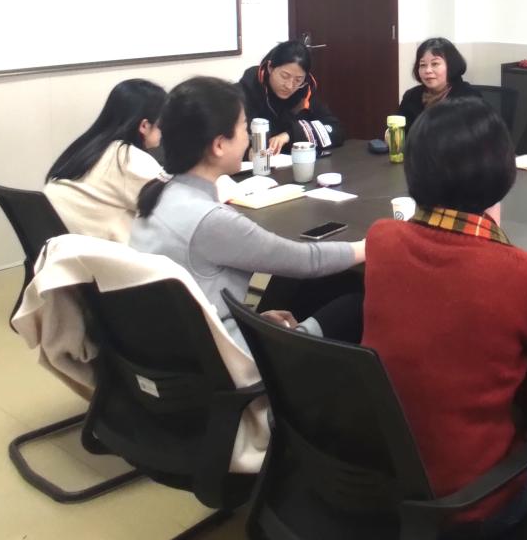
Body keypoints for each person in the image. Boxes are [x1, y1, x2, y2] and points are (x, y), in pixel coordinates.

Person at [361, 96, 527, 526]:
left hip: (389, 471)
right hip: (475, 497)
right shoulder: (521, 273)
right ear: (501, 172)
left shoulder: (383, 239)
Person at [130, 76, 364, 351]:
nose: (248, 138)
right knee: (355, 304)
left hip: (182, 341)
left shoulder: (160, 194)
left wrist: (253, 320)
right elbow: (306, 261)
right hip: (224, 355)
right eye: (243, 127)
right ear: (219, 145)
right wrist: (369, 246)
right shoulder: (210, 220)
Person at [45, 79, 168, 243]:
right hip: (94, 253)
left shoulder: (85, 147)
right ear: (144, 126)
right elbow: (172, 208)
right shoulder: (127, 159)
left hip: (59, 249)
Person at [238, 40, 344, 156]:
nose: (289, 86)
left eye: (298, 80)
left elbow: (335, 130)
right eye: (284, 76)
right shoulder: (246, 91)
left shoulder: (304, 91)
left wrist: (290, 135)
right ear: (270, 67)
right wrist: (248, 153)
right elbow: (230, 140)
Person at [395, 36, 480, 127]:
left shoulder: (469, 97)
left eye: (435, 64)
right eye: (423, 65)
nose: (428, 70)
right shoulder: (411, 96)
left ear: (451, 65)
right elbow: (398, 129)